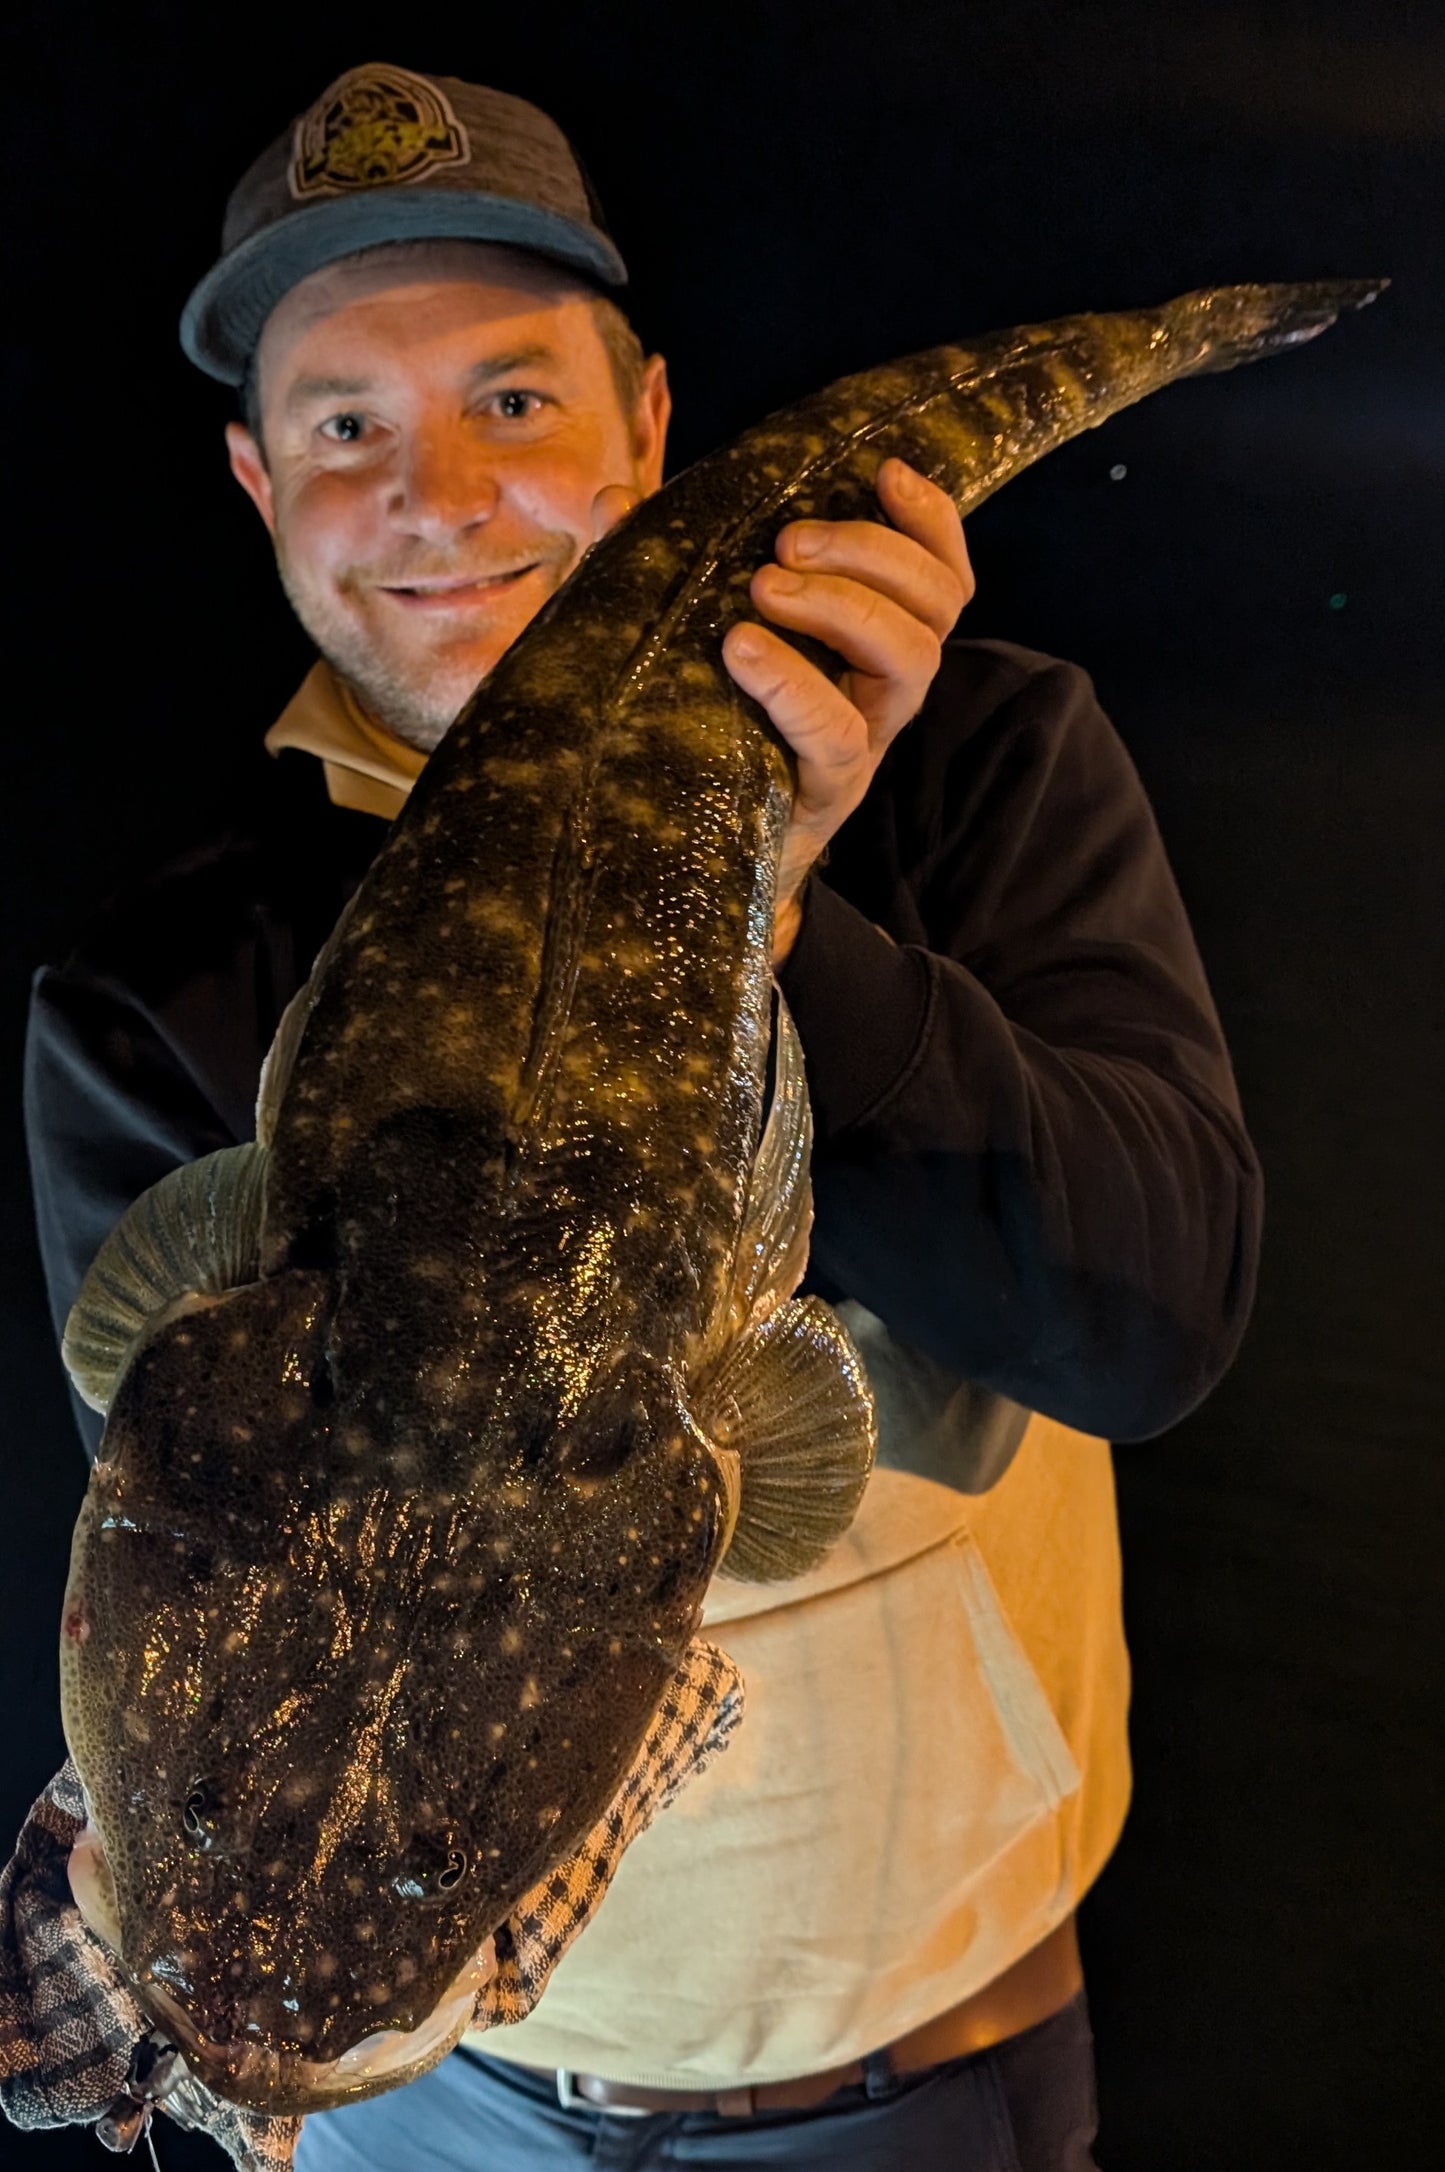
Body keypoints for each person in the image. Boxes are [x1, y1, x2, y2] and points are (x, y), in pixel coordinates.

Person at [23, 61, 1262, 2172]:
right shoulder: (155, 995)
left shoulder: (982, 767)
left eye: (515, 403)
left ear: (653, 434)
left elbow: (1149, 1324)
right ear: (256, 484)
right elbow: (203, 1557)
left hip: (913, 2086)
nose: (437, 495)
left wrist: (778, 903)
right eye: (346, 426)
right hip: (453, 2117)